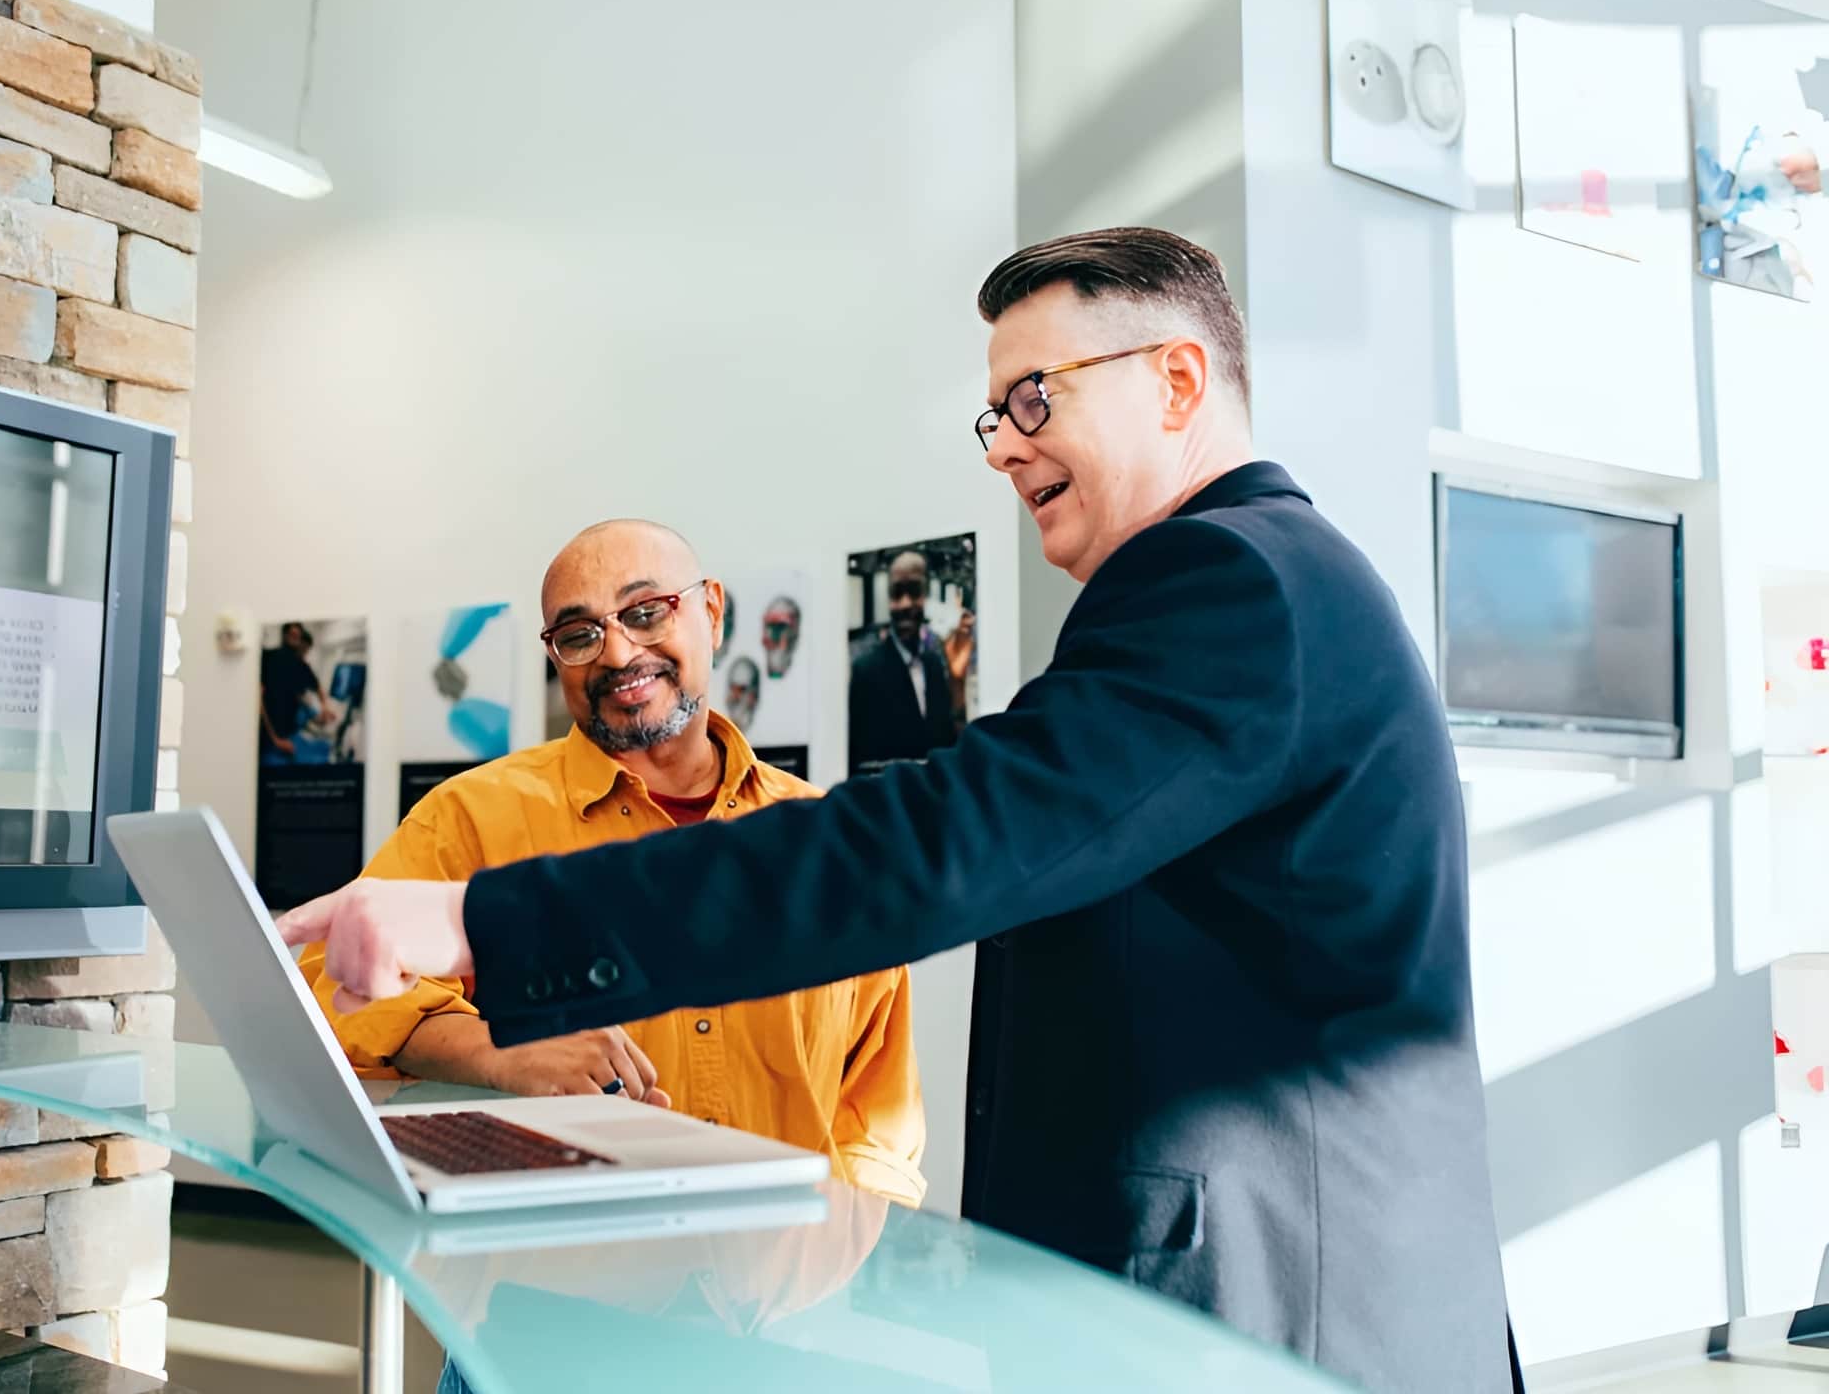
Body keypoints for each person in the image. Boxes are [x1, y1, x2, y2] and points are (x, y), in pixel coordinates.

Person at [282, 229, 1514, 1393]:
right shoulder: (1264, 582)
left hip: (1268, 1305)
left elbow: (935, 845)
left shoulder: (1227, 580)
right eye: (996, 411)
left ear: (1177, 381)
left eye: (1036, 395)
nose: (1000, 445)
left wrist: (481, 924)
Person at [295, 518, 926, 1209]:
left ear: (711, 611)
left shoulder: (821, 839)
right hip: (558, 1279)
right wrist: (503, 1052)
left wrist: (847, 1260)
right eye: (579, 634)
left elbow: (878, 1111)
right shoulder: (470, 818)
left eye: (647, 611)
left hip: (785, 1285)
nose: (619, 652)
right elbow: (334, 993)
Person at [846, 550, 973, 774]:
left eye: (914, 592)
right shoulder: (866, 671)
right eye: (897, 594)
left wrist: (957, 683)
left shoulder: (935, 664)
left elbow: (950, 745)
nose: (905, 604)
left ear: (926, 594)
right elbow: (858, 762)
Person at [258, 622, 331, 765]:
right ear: (284, 636)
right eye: (292, 635)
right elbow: (258, 699)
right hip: (270, 739)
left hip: (289, 735)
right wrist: (275, 739)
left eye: (298, 636)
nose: (296, 640)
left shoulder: (300, 666)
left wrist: (324, 708)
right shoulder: (269, 657)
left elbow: (316, 688)